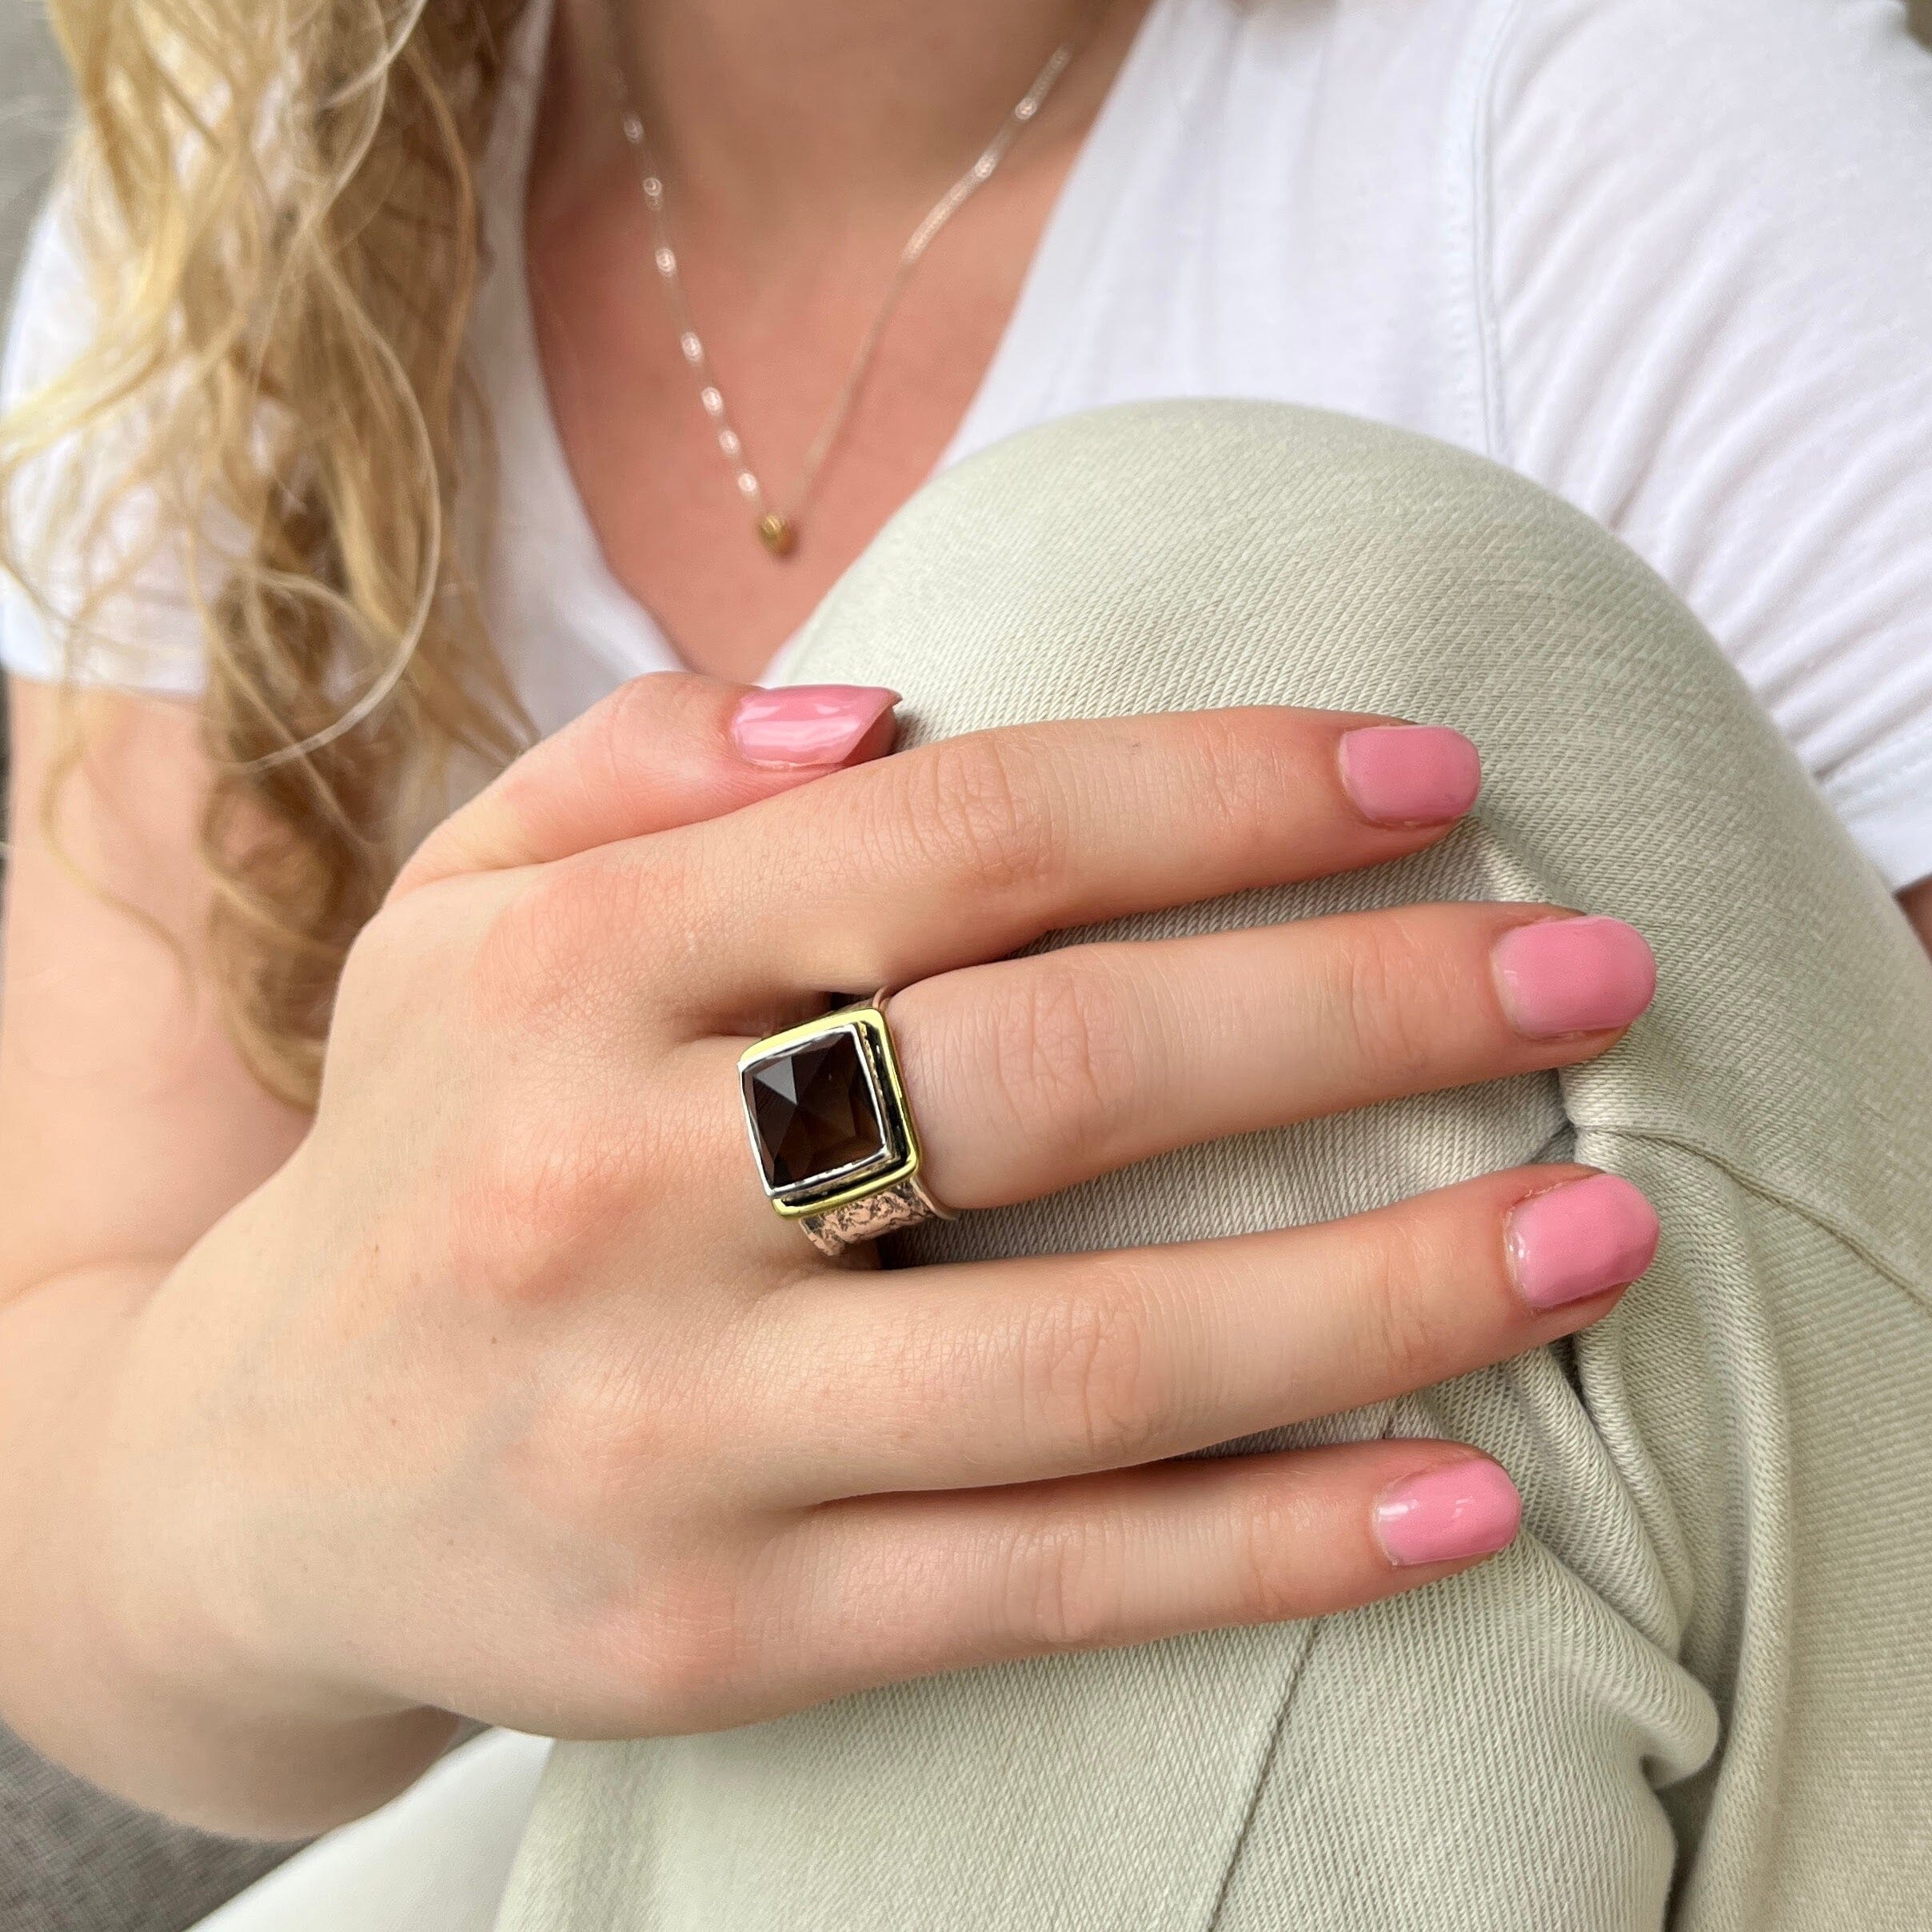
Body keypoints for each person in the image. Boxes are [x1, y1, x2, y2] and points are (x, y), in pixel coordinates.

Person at [1, 0, 1929, 1926]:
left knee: (1169, 615)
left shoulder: (1616, 112)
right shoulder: (269, 172)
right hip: (678, 1798)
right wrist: (320, 1440)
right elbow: (77, 1478)